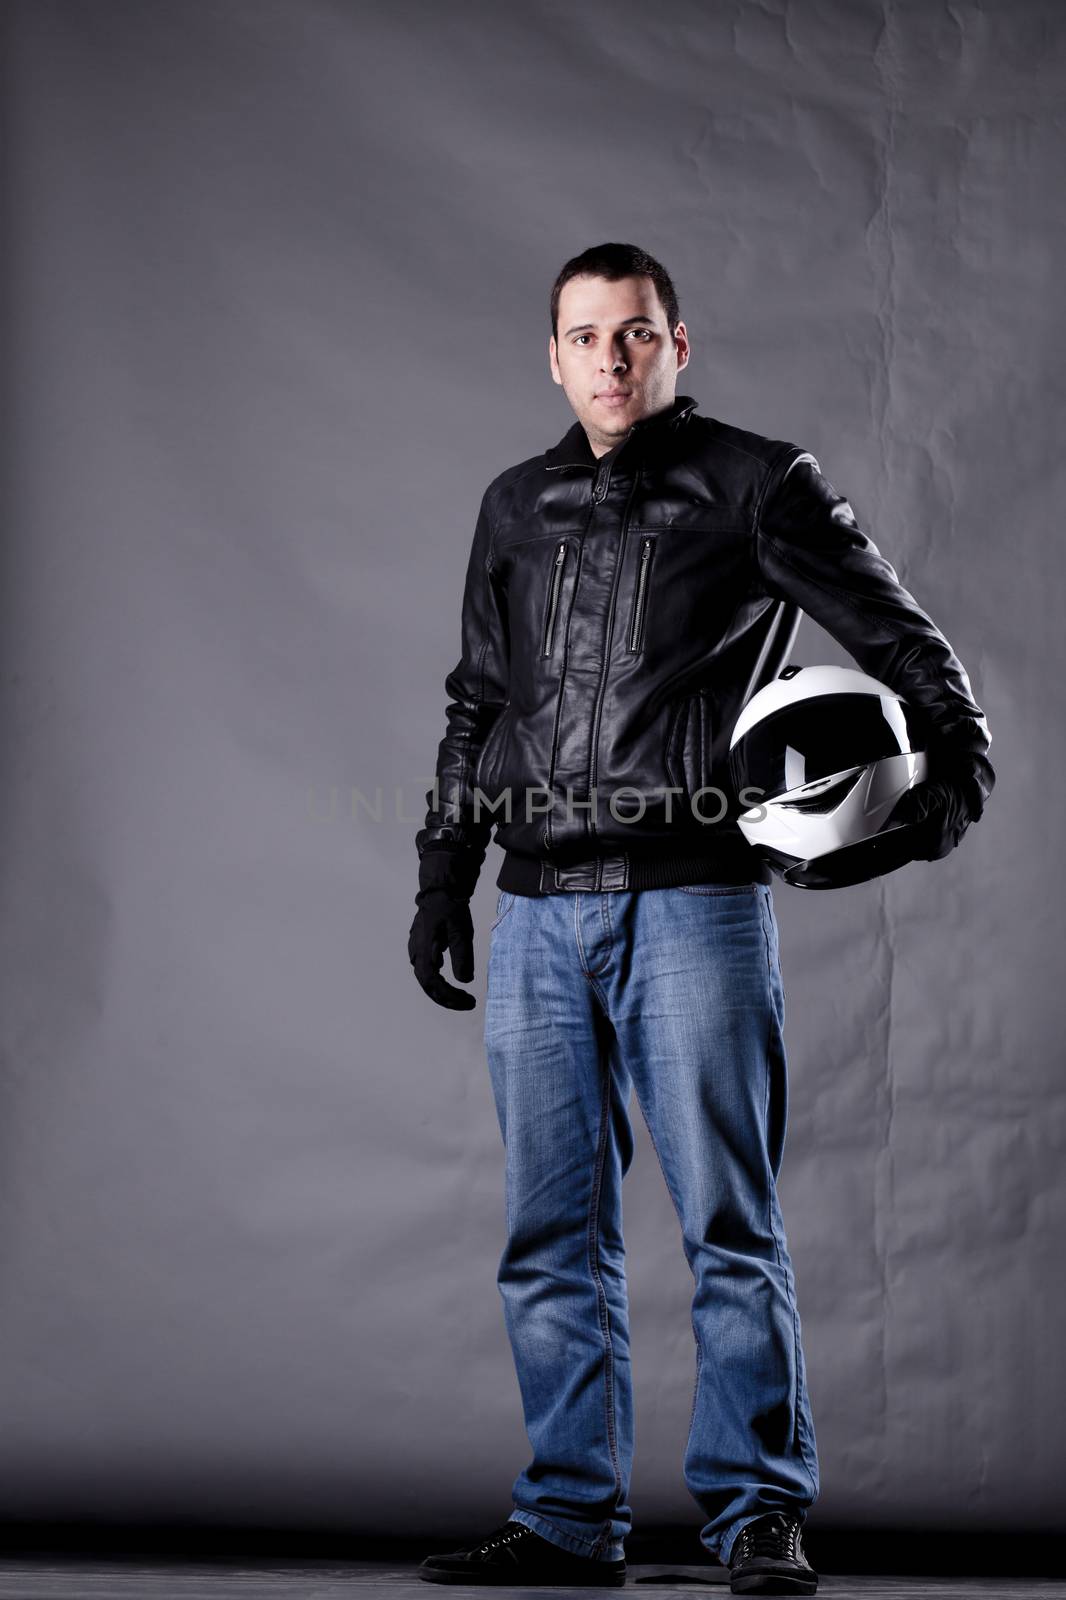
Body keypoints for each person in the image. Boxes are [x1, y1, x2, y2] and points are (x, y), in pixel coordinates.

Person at [408, 243, 994, 1596]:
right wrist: (443, 874)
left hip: (694, 907)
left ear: (680, 346)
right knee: (548, 1235)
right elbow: (474, 700)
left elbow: (905, 641)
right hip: (538, 910)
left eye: (634, 334)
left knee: (729, 1221)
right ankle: (565, 1519)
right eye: (583, 336)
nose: (608, 359)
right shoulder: (517, 503)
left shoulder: (755, 483)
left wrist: (952, 775)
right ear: (550, 355)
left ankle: (757, 1516)